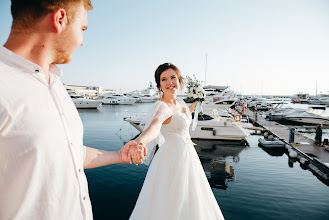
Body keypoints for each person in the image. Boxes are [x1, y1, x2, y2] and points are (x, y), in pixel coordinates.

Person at [0, 1, 145, 219]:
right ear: (60, 20)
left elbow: (68, 152)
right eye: (82, 29)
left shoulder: (55, 84)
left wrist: (119, 155)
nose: (82, 42)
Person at [128, 63, 225, 220]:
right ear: (159, 85)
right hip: (171, 160)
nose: (169, 82)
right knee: (170, 204)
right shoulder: (162, 107)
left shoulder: (180, 104)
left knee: (192, 200)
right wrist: (139, 141)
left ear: (179, 81)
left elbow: (183, 116)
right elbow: (154, 126)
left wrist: (195, 104)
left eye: (173, 77)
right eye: (164, 79)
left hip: (189, 157)